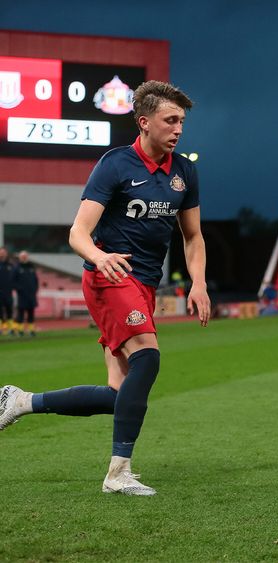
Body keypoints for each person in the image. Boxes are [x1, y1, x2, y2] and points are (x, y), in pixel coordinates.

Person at [0, 80, 210, 496]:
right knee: (148, 358)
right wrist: (99, 257)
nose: (178, 129)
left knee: (120, 395)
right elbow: (78, 233)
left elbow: (193, 237)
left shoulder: (184, 172)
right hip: (108, 278)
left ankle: (21, 401)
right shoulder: (115, 165)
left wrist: (198, 284)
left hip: (144, 286)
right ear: (144, 122)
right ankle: (118, 473)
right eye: (171, 120)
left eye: (182, 121)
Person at [12, 250, 39, 336]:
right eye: (22, 256)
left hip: (31, 295)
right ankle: (20, 331)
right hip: (22, 295)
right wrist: (19, 289)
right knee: (21, 313)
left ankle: (31, 330)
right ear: (19, 258)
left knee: (31, 313)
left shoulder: (31, 267)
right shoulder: (16, 268)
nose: (24, 258)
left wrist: (35, 289)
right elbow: (12, 281)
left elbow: (36, 280)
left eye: (25, 256)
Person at [0, 247, 13, 336]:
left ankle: (10, 328)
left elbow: (15, 279)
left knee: (9, 310)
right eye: (1, 252)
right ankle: (1, 329)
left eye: (4, 252)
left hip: (8, 292)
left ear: (6, 254)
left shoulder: (10, 265)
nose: (2, 254)